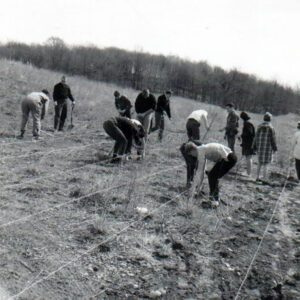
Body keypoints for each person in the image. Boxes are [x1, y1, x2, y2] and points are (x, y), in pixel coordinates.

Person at [182, 142, 237, 206]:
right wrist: (198, 188)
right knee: (212, 175)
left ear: (192, 150)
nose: (193, 156)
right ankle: (215, 198)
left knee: (212, 175)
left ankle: (214, 200)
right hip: (229, 157)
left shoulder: (200, 151)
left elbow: (199, 171)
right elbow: (202, 171)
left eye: (191, 154)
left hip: (228, 157)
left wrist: (193, 189)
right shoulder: (202, 149)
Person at [252, 112, 277, 181]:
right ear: (270, 119)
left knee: (259, 162)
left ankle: (257, 177)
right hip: (268, 148)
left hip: (260, 146)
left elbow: (255, 137)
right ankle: (265, 178)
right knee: (266, 163)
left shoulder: (259, 126)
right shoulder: (271, 128)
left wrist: (254, 146)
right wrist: (275, 148)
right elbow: (273, 139)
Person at [240, 112, 255, 176]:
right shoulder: (248, 123)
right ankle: (248, 172)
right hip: (249, 143)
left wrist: (242, 136)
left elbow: (249, 133)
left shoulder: (247, 124)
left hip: (248, 143)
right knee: (248, 157)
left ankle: (248, 173)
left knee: (248, 157)